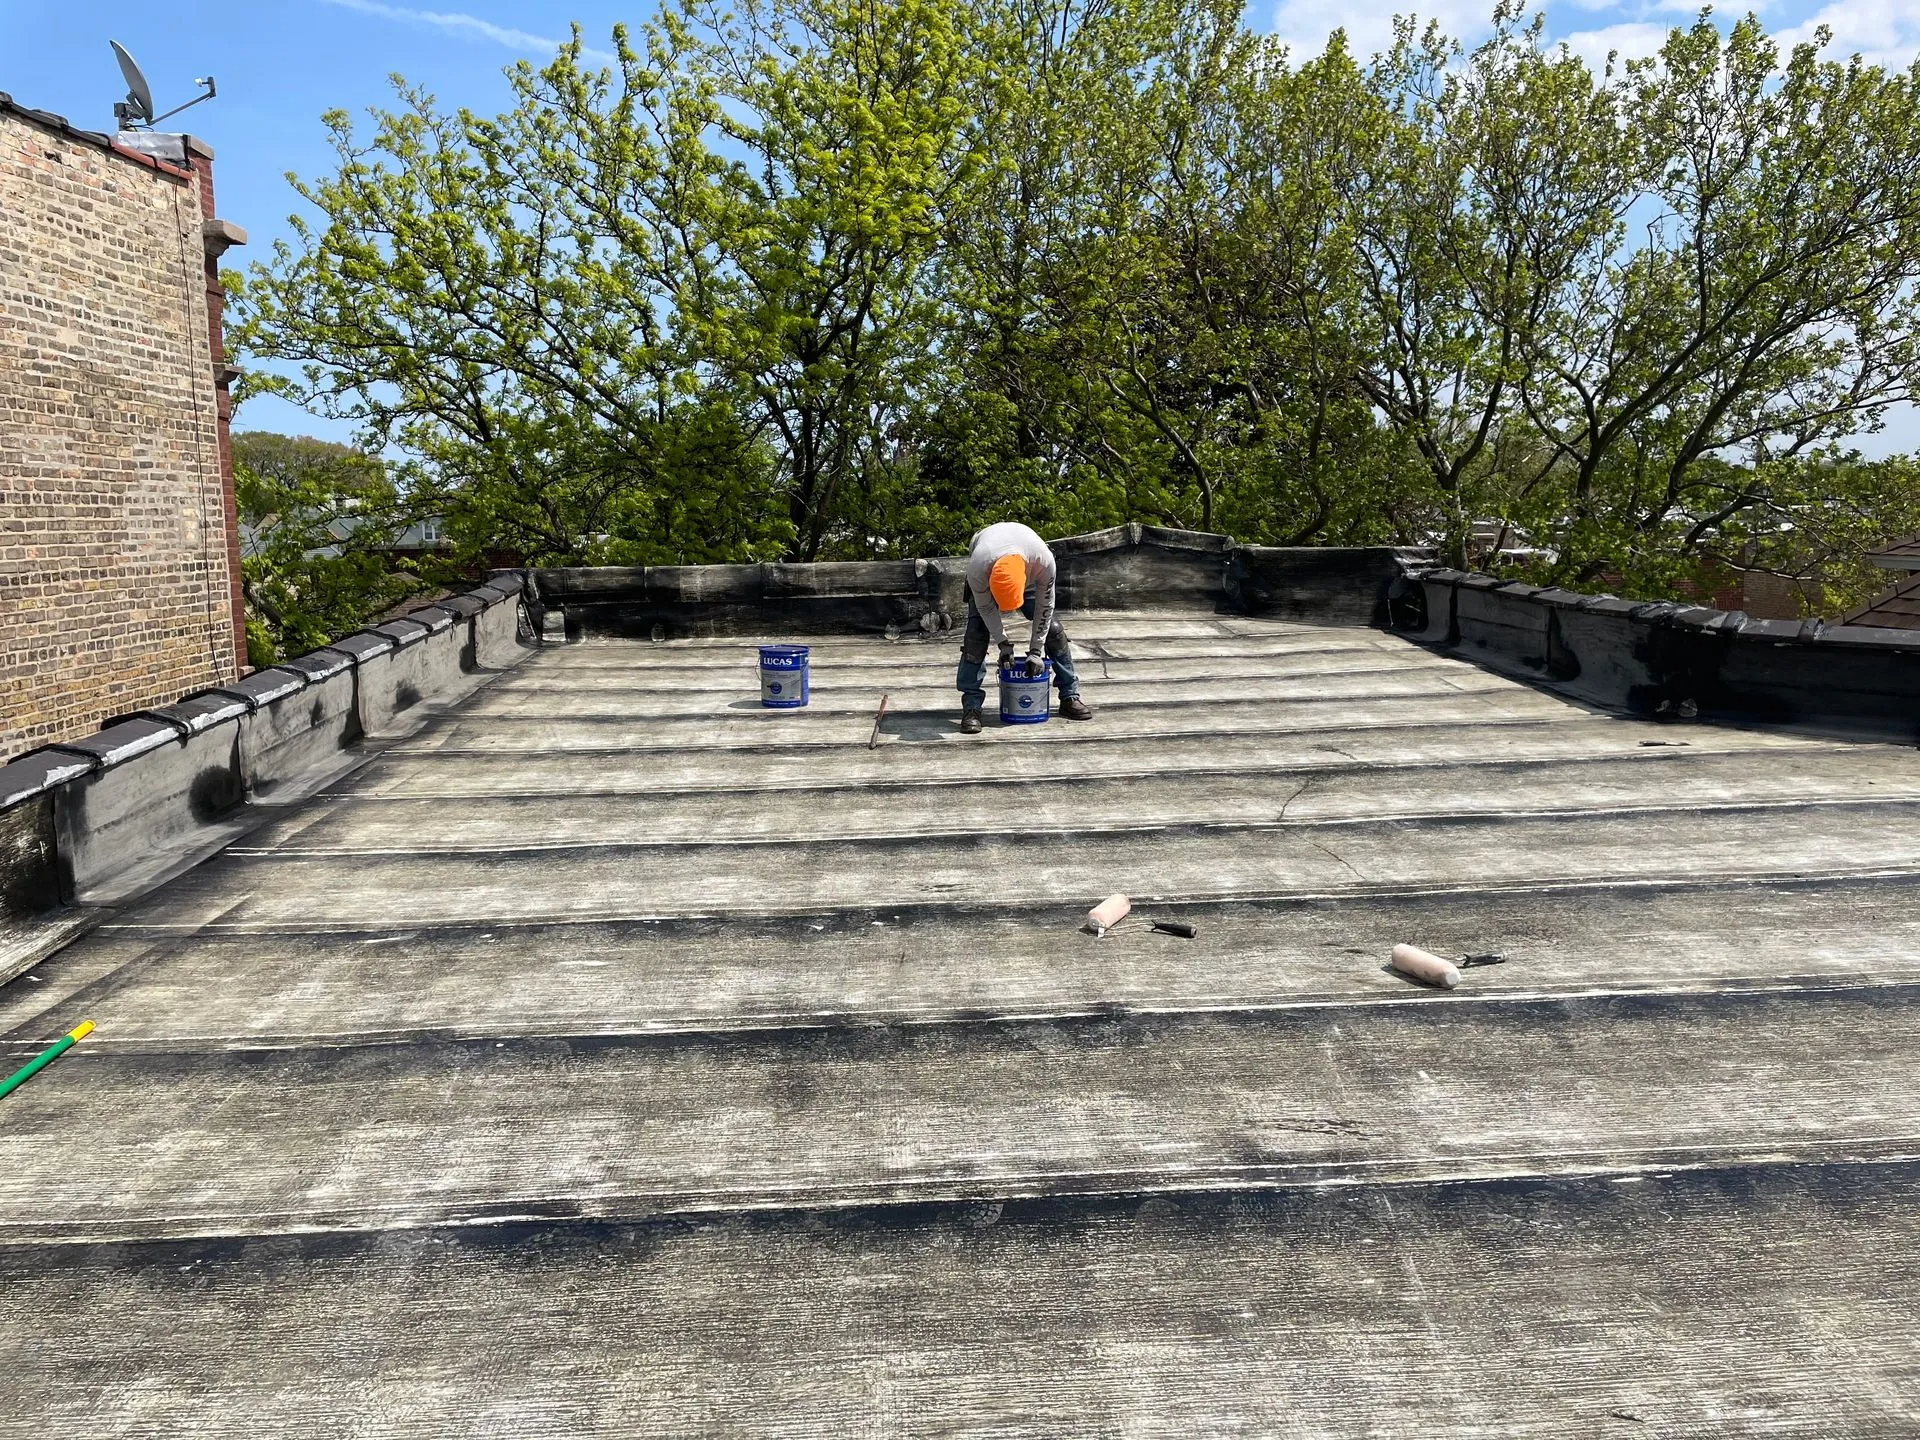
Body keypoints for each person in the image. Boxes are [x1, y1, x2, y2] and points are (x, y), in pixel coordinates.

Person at [956, 521, 1093, 733]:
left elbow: (1044, 608)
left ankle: (1070, 696)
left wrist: (1036, 651)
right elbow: (986, 609)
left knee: (1054, 630)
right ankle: (971, 707)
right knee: (976, 634)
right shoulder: (978, 569)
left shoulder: (1043, 561)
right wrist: (1003, 644)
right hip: (986, 566)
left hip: (1027, 567)